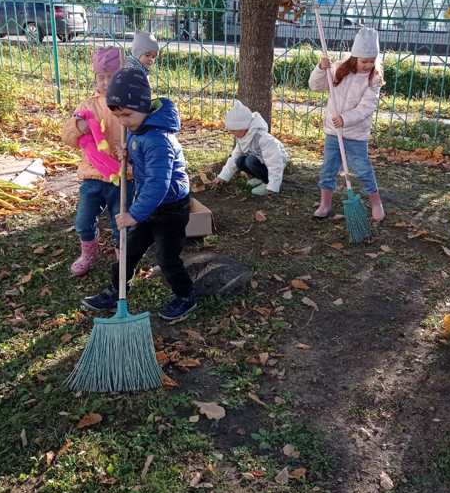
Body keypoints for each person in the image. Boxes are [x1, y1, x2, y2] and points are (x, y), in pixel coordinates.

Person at [82, 67, 196, 323]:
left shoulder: (159, 139)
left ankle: (186, 295)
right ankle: (117, 290)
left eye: (127, 115)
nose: (123, 122)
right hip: (149, 204)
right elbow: (143, 159)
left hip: (170, 209)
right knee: (129, 250)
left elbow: (158, 183)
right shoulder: (139, 126)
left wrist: (134, 215)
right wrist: (129, 154)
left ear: (144, 106)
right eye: (118, 116)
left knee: (167, 258)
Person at [61, 47, 129, 276]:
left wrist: (129, 150)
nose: (106, 83)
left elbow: (141, 133)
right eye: (102, 77)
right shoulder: (87, 106)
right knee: (83, 221)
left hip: (122, 176)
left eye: (112, 77)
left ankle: (122, 257)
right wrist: (77, 128)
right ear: (95, 79)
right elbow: (67, 137)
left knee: (121, 223)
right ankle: (88, 252)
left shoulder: (129, 104)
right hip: (92, 175)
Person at [308, 26, 385, 222]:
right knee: (328, 169)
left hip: (356, 135)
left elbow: (367, 107)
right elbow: (315, 86)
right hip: (334, 133)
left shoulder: (373, 79)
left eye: (371, 61)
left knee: (363, 169)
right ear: (354, 57)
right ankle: (325, 203)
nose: (368, 65)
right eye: (364, 61)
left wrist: (345, 119)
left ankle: (376, 202)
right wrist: (320, 69)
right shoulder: (337, 71)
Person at [211, 99, 288, 196]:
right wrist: (222, 176)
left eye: (234, 131)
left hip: (275, 162)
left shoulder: (263, 138)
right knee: (239, 161)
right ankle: (261, 178)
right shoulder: (242, 137)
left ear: (244, 127)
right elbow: (234, 157)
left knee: (250, 161)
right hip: (261, 162)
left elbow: (275, 163)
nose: (233, 134)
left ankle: (268, 182)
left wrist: (273, 186)